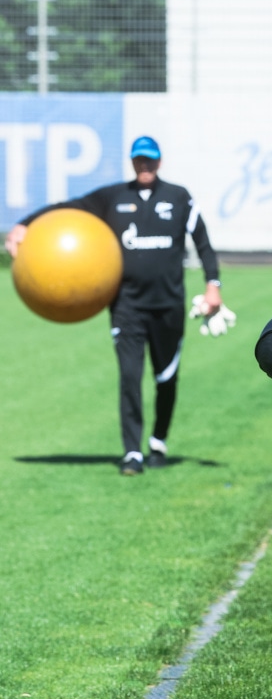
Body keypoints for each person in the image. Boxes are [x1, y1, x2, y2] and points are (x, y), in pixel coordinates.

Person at [4, 135, 225, 476]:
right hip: (127, 306)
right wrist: (25, 223)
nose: (145, 165)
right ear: (132, 162)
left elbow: (204, 244)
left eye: (150, 159)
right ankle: (132, 453)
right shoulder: (113, 198)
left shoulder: (178, 197)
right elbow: (68, 207)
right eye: (139, 159)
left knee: (166, 378)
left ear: (160, 161)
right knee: (130, 377)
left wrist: (213, 286)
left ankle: (158, 441)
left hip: (167, 306)